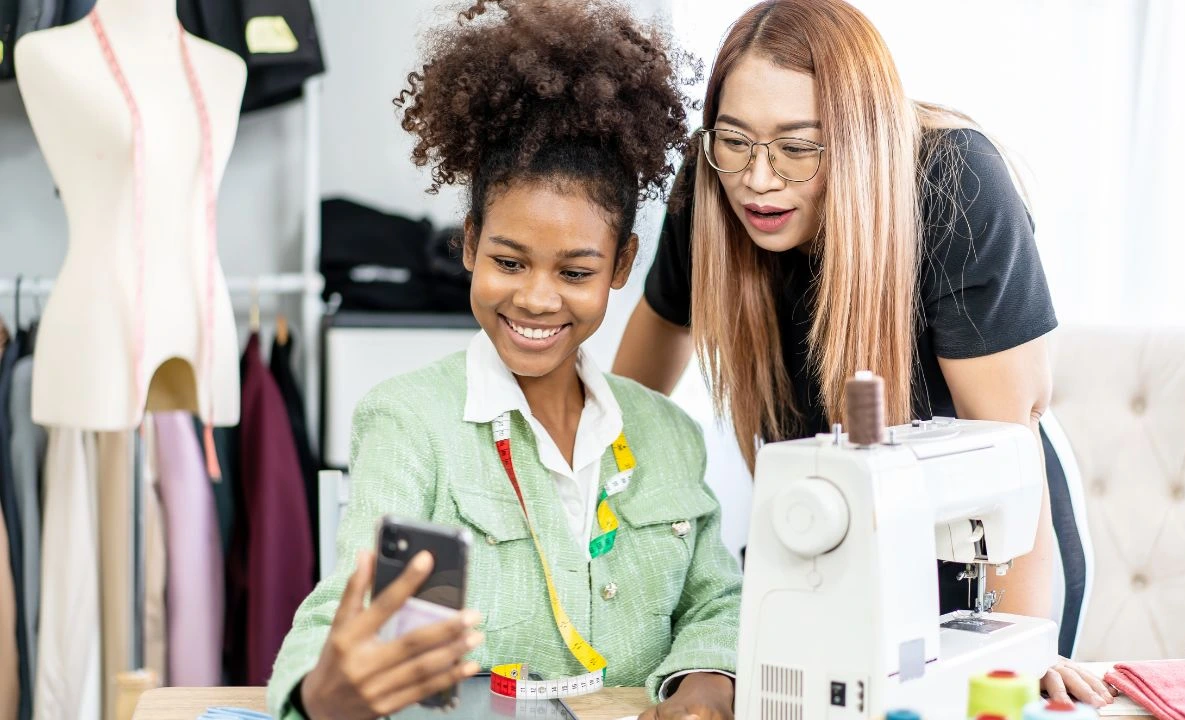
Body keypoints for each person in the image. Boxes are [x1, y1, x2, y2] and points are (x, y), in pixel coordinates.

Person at [611, 0, 1107, 707]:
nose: (757, 178)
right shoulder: (711, 188)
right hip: (827, 529)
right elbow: (628, 406)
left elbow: (1007, 452)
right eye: (736, 140)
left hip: (990, 555)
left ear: (858, 137)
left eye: (798, 145)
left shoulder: (955, 184)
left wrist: (1021, 651)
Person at [265, 2, 740, 719]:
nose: (537, 299)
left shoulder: (669, 436)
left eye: (575, 272)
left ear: (622, 265)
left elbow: (718, 601)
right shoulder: (408, 423)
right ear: (468, 246)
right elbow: (341, 610)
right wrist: (321, 694)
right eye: (508, 262)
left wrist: (707, 682)